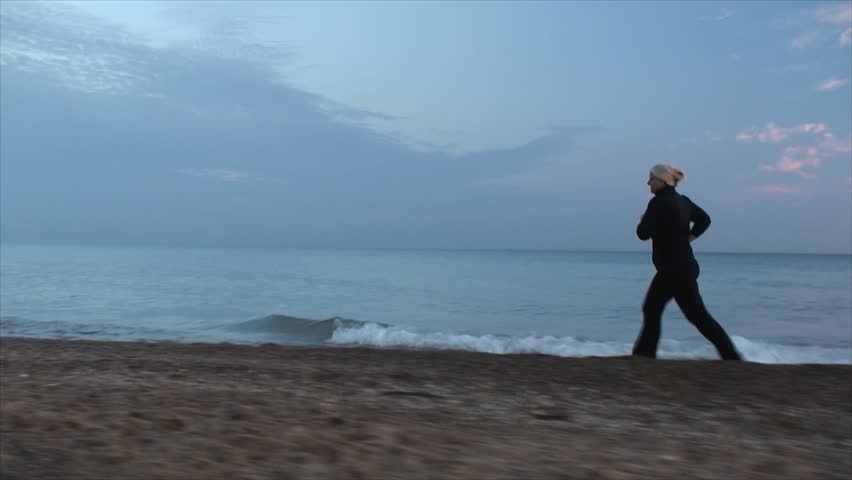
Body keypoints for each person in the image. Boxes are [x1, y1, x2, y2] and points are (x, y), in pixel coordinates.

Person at [633, 164, 742, 361]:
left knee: (652, 308)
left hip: (672, 269)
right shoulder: (683, 202)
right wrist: (689, 237)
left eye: (651, 178)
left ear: (661, 180)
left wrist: (643, 221)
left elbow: (643, 234)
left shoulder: (658, 203)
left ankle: (644, 356)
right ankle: (731, 355)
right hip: (686, 266)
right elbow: (705, 220)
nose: (648, 182)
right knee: (697, 316)